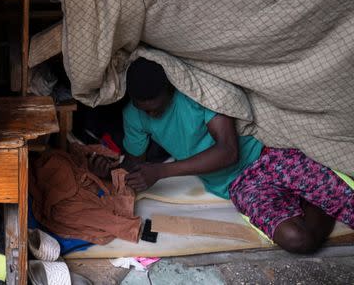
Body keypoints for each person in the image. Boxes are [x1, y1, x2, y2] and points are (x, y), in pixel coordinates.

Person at [119, 57, 354, 254]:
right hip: (240, 184)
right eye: (145, 109)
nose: (152, 113)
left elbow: (228, 152)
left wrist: (161, 171)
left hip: (269, 155)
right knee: (299, 240)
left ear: (170, 89)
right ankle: (316, 202)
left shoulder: (196, 94)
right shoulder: (134, 115)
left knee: (349, 201)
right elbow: (134, 163)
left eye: (157, 107)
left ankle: (315, 198)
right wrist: (112, 169)